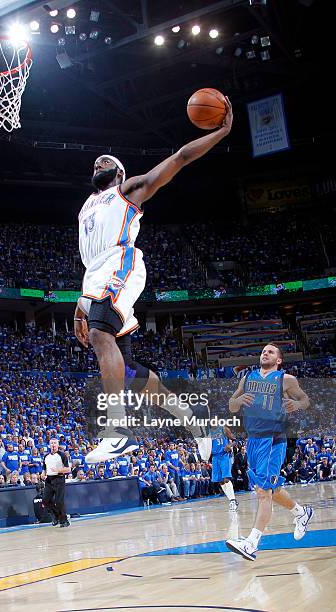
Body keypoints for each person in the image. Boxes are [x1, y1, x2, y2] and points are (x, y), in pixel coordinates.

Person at [74, 99, 233, 463]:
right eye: (95, 163)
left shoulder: (126, 192)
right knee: (130, 374)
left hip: (122, 262)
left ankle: (117, 431)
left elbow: (178, 160)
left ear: (119, 175)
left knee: (101, 335)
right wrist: (80, 308)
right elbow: (90, 264)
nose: (99, 164)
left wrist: (220, 132)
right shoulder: (86, 206)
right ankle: (192, 419)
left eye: (107, 163)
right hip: (96, 275)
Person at [225, 344, 313, 561]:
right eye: (264, 351)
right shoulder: (247, 379)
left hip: (274, 439)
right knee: (269, 489)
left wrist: (296, 404)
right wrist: (237, 401)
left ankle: (251, 544)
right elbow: (231, 406)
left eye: (271, 352)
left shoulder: (286, 379)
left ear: (279, 360)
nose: (265, 353)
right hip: (254, 440)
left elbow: (305, 400)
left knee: (263, 493)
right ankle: (301, 513)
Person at [41, 439, 71, 528]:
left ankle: (64, 520)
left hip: (59, 478)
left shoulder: (62, 455)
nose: (53, 445)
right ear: (49, 445)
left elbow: (68, 469)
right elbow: (44, 468)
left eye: (55, 443)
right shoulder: (46, 456)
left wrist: (58, 470)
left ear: (58, 445)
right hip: (49, 480)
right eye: (51, 443)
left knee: (59, 501)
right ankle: (56, 516)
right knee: (45, 500)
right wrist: (42, 474)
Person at [210, 424, 238, 511]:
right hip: (214, 457)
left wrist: (229, 446)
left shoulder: (224, 429)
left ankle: (233, 501)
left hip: (224, 456)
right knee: (221, 482)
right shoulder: (208, 433)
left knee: (226, 478)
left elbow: (234, 440)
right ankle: (232, 500)